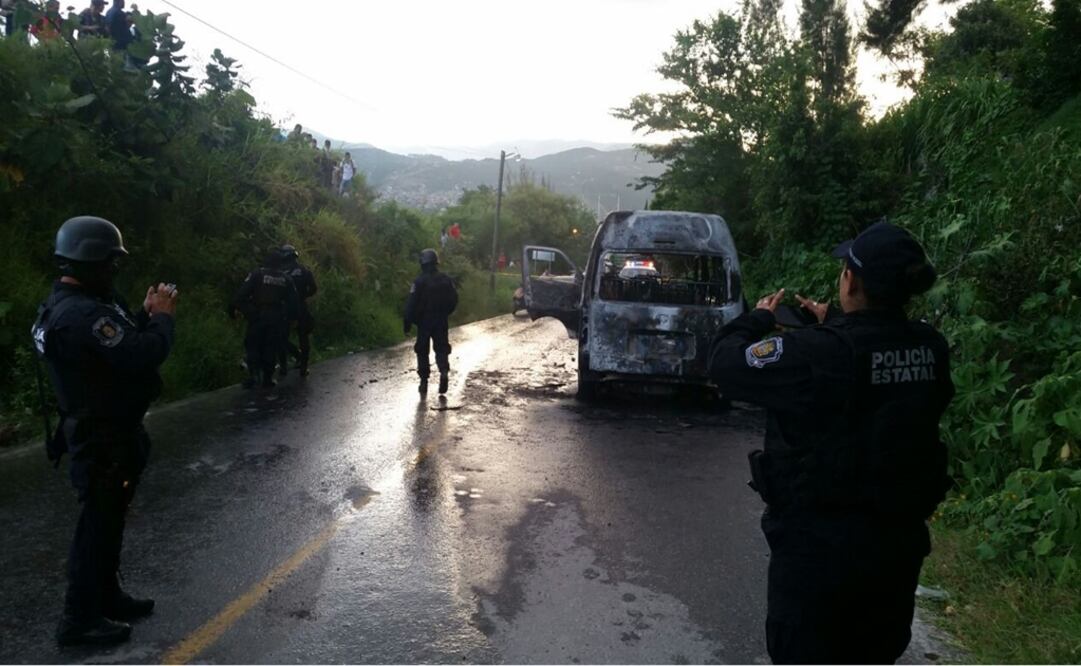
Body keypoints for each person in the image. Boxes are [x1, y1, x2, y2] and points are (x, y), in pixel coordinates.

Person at [707, 222, 953, 664]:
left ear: (852, 281)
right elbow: (876, 369)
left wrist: (760, 317)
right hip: (895, 553)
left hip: (819, 556)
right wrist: (837, 324)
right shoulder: (931, 348)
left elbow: (725, 365)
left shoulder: (818, 353)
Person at [31, 216, 178, 646]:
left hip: (108, 432)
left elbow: (109, 346)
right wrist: (163, 320)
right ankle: (78, 619)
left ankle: (107, 596)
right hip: (102, 439)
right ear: (94, 263)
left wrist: (143, 314)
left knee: (110, 521)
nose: (116, 272)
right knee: (96, 527)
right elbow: (141, 354)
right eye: (111, 264)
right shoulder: (81, 314)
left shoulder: (75, 305)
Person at [229, 248, 298, 388]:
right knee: (270, 347)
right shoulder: (286, 279)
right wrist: (289, 318)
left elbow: (239, 296)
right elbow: (294, 303)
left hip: (258, 316)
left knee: (253, 345)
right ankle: (267, 378)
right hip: (277, 318)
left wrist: (246, 312)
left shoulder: (257, 274)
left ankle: (254, 376)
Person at [403, 249, 458, 395]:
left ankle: (424, 381)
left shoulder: (419, 281)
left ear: (422, 263)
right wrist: (445, 313)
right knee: (441, 348)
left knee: (422, 350)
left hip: (424, 322)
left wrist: (407, 322)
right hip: (441, 320)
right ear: (436, 262)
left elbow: (411, 303)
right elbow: (454, 299)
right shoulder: (446, 279)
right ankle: (444, 371)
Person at [278, 244, 317, 377]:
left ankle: (284, 367)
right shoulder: (304, 270)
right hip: (301, 307)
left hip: (284, 308)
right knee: (303, 337)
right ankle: (303, 367)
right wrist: (303, 296)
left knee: (281, 337)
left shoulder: (279, 272)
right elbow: (313, 288)